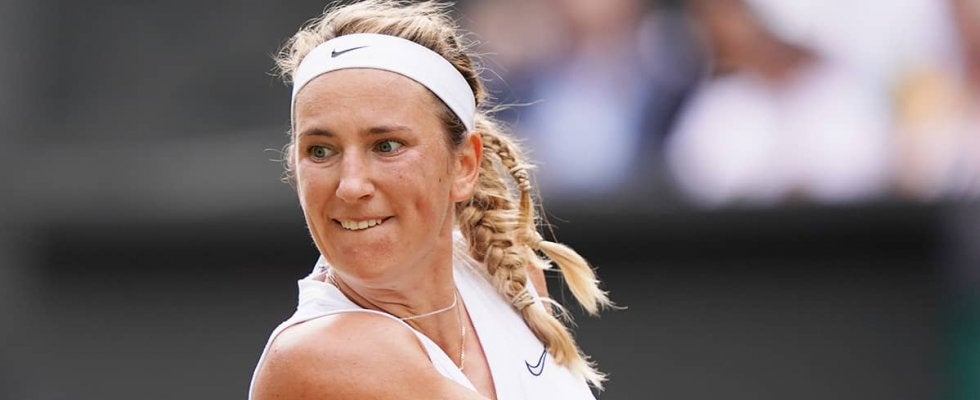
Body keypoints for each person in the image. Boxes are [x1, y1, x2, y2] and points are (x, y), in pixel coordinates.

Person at [248, 1, 611, 399]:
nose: (351, 186)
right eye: (320, 151)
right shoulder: (318, 356)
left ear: (464, 166)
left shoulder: (506, 272)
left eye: (387, 146)